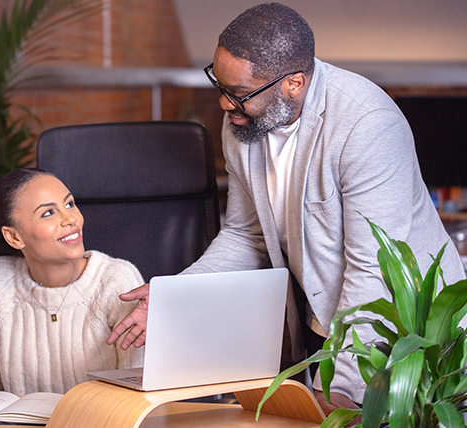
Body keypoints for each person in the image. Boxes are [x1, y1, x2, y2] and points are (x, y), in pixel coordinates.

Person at [107, 2, 466, 417]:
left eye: (238, 93)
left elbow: (373, 271)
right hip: (322, 325)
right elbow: (246, 234)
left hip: (408, 336)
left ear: (294, 83)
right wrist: (180, 296)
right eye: (220, 86)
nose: (225, 105)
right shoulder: (245, 120)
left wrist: (342, 386)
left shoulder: (367, 124)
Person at [0, 168, 144, 399]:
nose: (71, 218)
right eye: (49, 213)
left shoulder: (116, 280)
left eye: (69, 204)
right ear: (14, 237)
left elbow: (139, 383)